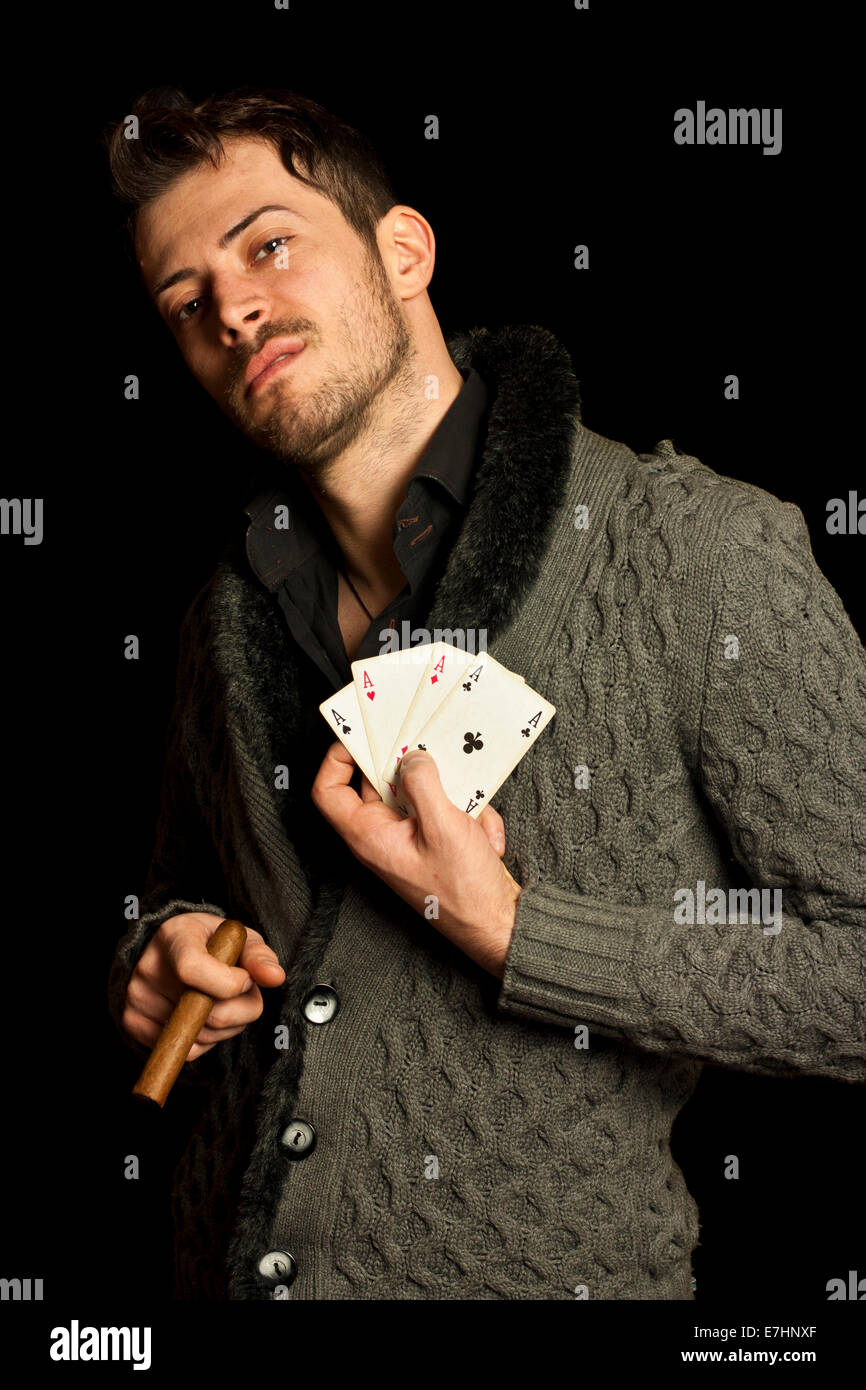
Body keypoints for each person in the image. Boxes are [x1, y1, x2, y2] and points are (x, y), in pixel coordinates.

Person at [105, 85, 866, 1301]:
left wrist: (519, 933)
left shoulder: (693, 551)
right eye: (185, 300)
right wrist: (157, 951)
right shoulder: (220, 616)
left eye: (268, 244)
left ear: (402, 252)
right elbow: (182, 884)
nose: (231, 307)